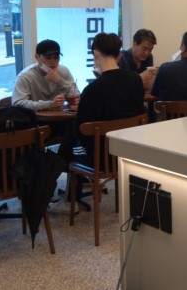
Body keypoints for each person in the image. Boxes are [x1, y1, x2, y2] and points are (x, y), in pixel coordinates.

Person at [50, 33, 146, 215]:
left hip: (98, 158)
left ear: (95, 53)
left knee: (67, 142)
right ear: (119, 56)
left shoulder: (93, 89)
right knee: (72, 139)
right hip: (127, 151)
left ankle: (64, 197)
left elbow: (81, 130)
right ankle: (72, 193)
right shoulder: (135, 80)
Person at [12, 39, 78, 111]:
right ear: (37, 57)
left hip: (59, 115)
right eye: (48, 58)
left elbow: (76, 97)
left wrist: (59, 81)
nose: (53, 62)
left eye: (56, 57)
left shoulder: (63, 71)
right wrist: (50, 104)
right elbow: (17, 103)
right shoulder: (25, 76)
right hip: (34, 116)